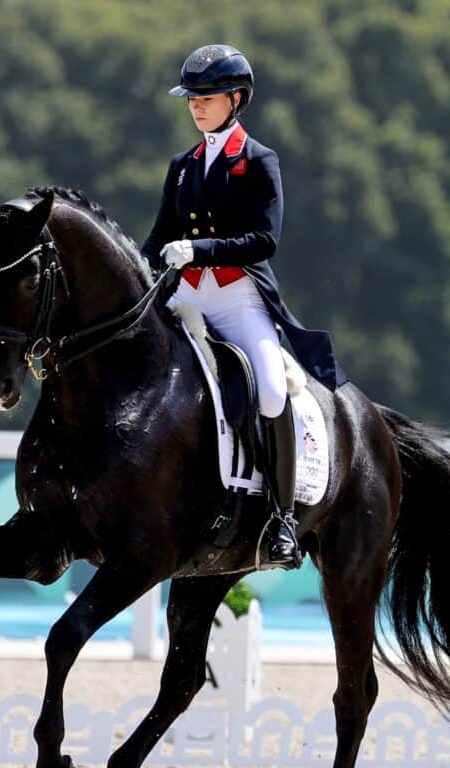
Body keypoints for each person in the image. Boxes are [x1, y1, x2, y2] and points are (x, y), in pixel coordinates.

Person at [142, 44, 347, 569]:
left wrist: (200, 250)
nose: (196, 106)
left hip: (236, 297)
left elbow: (265, 239)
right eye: (191, 97)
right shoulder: (182, 167)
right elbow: (158, 237)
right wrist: (139, 270)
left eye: (206, 97)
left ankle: (279, 518)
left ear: (236, 99)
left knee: (273, 392)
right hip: (186, 293)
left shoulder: (258, 161)